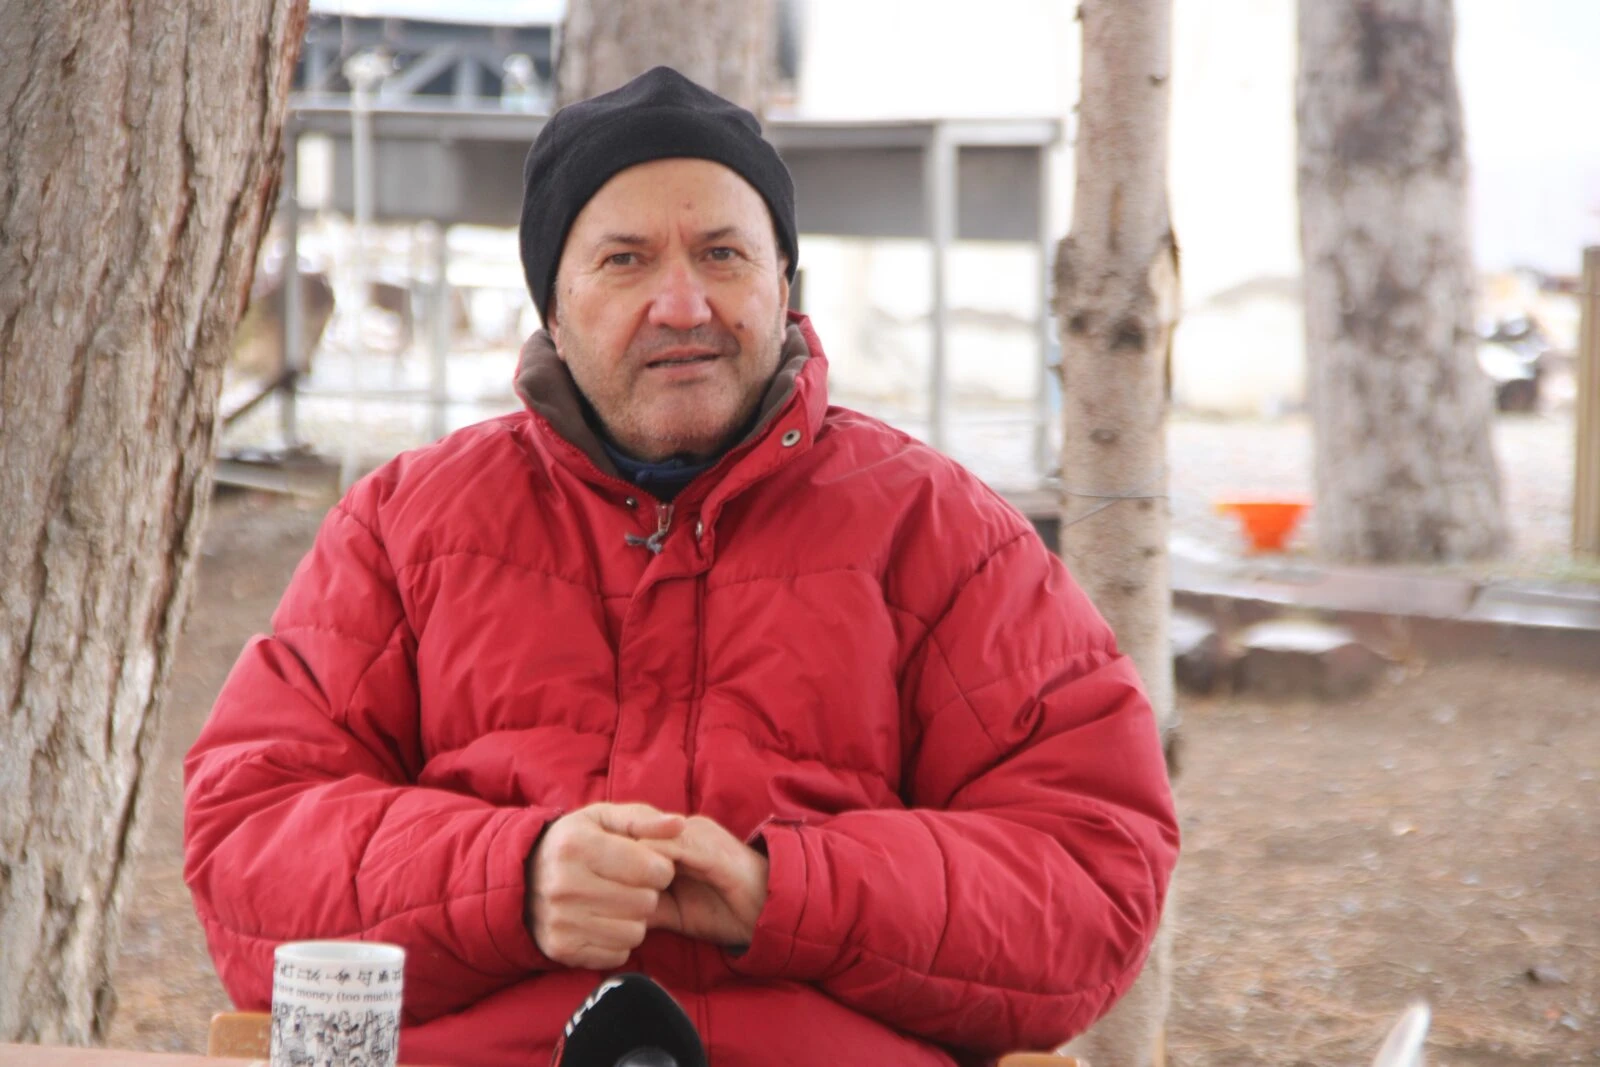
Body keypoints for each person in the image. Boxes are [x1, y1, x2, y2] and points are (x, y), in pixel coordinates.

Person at [184, 66, 1178, 1067]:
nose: (681, 301)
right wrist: (511, 877)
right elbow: (250, 843)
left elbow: (1092, 872)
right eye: (624, 259)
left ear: (782, 283)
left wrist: (787, 892)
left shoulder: (940, 532)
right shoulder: (404, 527)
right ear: (554, 308)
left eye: (722, 253)